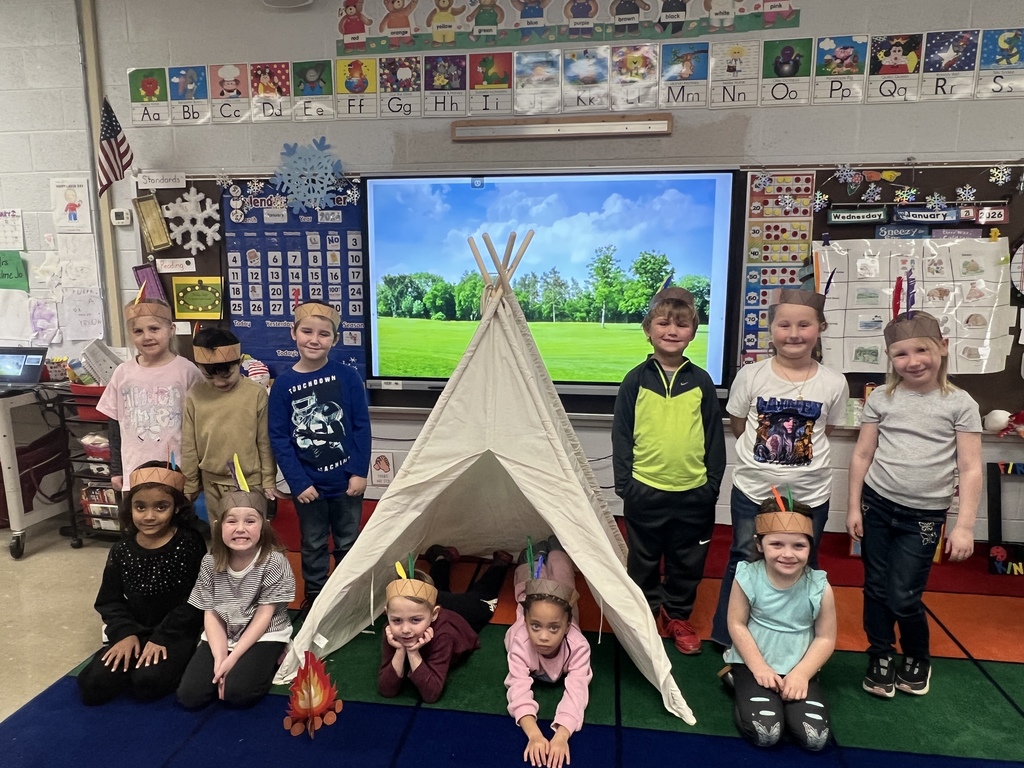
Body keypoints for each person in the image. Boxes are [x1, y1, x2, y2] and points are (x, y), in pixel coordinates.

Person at [847, 311, 981, 698]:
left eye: (922, 350)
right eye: (900, 354)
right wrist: (853, 507)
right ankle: (880, 654)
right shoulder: (882, 398)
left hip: (923, 516)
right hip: (877, 505)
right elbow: (862, 455)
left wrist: (965, 525)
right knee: (875, 587)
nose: (913, 361)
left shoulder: (960, 403)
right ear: (890, 358)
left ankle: (917, 655)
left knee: (904, 594)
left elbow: (971, 468)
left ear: (943, 347)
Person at [711, 288, 849, 648]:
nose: (794, 333)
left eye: (804, 325)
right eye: (784, 325)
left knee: (802, 562)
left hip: (810, 495)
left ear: (820, 328)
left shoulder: (834, 382)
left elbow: (826, 430)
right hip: (753, 491)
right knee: (744, 556)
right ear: (771, 329)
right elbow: (739, 423)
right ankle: (729, 635)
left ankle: (798, 636)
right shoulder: (751, 375)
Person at [612, 286, 726, 655]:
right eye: (663, 323)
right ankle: (646, 612)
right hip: (645, 490)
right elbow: (621, 434)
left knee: (687, 560)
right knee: (643, 558)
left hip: (694, 492)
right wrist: (626, 485)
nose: (672, 331)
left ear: (693, 331)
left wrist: (711, 484)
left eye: (681, 324)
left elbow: (713, 436)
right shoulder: (635, 380)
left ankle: (677, 615)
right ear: (648, 329)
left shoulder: (701, 380)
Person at [268, 301, 371, 613]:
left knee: (348, 541)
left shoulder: (348, 377)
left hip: (346, 483)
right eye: (307, 332)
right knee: (313, 543)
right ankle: (315, 597)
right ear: (293, 333)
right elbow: (279, 438)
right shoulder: (284, 385)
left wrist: (359, 472)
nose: (314, 340)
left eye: (324, 334)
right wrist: (298, 482)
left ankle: (346, 597)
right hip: (308, 486)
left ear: (334, 339)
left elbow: (360, 426)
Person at [77, 462, 206, 705]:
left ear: (176, 507)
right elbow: (109, 601)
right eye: (140, 507)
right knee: (93, 686)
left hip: (174, 631)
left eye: (161, 507)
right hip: (135, 628)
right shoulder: (122, 549)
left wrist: (163, 637)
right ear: (130, 508)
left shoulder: (189, 543)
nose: (149, 516)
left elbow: (196, 599)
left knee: (147, 683)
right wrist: (126, 634)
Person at [723, 493, 836, 751]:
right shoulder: (747, 576)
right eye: (776, 544)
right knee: (767, 733)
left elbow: (826, 637)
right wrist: (759, 668)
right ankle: (737, 679)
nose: (788, 554)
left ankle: (767, 690)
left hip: (799, 664)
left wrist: (802, 674)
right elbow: (737, 624)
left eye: (799, 546)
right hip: (754, 661)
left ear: (810, 546)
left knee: (815, 739)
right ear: (759, 544)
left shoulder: (820, 586)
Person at [177, 489, 295, 708]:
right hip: (226, 629)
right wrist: (220, 658)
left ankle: (277, 654)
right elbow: (211, 612)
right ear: (219, 526)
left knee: (238, 693)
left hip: (264, 632)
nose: (240, 529)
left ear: (263, 526)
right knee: (191, 696)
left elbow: (264, 615)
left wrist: (233, 659)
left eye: (250, 521)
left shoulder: (274, 562)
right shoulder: (210, 562)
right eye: (231, 521)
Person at [379, 547, 512, 703]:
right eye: (396, 620)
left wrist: (413, 654)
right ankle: (441, 559)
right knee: (437, 591)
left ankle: (499, 566)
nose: (405, 630)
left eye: (415, 620)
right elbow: (387, 690)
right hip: (433, 605)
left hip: (463, 615)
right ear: (387, 614)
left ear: (434, 614)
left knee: (482, 599)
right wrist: (400, 651)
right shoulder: (392, 631)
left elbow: (431, 694)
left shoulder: (443, 635)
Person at [98, 298, 203, 492]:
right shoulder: (123, 373)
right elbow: (114, 424)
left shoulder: (187, 372)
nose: (147, 337)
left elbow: (200, 426)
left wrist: (196, 474)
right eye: (138, 331)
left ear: (171, 329)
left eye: (154, 329)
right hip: (134, 472)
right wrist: (116, 469)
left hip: (178, 471)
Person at [505, 545, 592, 768]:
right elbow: (518, 688)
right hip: (530, 604)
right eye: (535, 626)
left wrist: (562, 735)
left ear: (567, 627)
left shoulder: (578, 645)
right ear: (526, 623)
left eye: (554, 628)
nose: (543, 637)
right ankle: (535, 557)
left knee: (564, 581)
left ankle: (557, 549)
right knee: (528, 586)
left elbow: (578, 689)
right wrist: (534, 734)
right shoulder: (520, 641)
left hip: (563, 614)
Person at [181, 328, 276, 522]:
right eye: (209, 377)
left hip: (250, 481)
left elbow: (264, 441)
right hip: (212, 482)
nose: (219, 382)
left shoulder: (255, 393)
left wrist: (268, 478)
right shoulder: (194, 396)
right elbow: (189, 444)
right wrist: (190, 483)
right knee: (219, 532)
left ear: (239, 362)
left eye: (226, 375)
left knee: (250, 531)